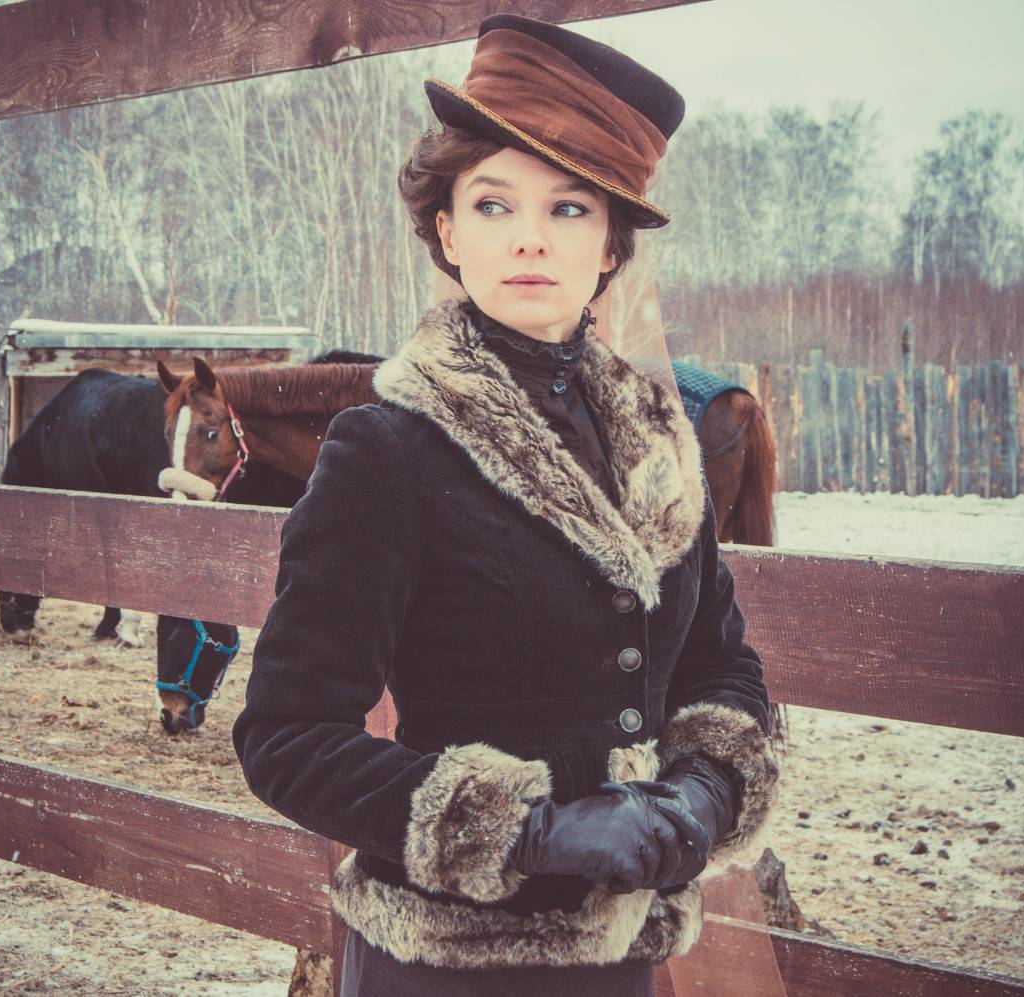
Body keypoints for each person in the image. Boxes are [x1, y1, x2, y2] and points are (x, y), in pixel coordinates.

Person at [233, 14, 779, 995]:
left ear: (609, 245)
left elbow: (722, 663)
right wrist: (530, 831)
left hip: (621, 959)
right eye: (494, 203)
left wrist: (700, 794)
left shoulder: (659, 444)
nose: (531, 236)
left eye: (569, 207)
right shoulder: (387, 450)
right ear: (447, 229)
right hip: (446, 965)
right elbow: (285, 736)